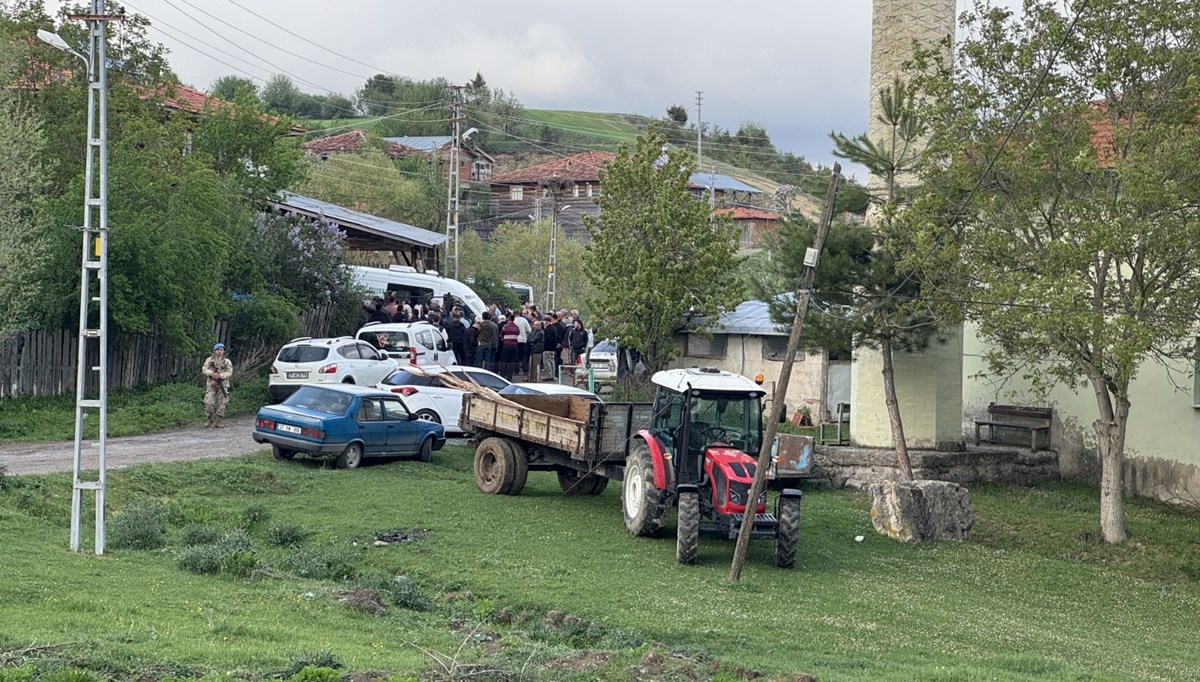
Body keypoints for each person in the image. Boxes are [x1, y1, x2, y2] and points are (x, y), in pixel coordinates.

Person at [201, 343, 233, 428]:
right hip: (211, 384)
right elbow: (204, 369)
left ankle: (218, 420)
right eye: (218, 350)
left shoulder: (227, 361)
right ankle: (209, 418)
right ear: (214, 351)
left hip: (223, 384)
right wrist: (212, 374)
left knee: (222, 403)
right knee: (208, 402)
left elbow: (229, 372)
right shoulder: (209, 360)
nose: (219, 351)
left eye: (221, 350)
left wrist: (221, 375)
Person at [498, 315, 520, 380]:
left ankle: (502, 375)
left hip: (506, 346)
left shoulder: (505, 327)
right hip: (514, 346)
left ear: (509, 319)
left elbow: (501, 334)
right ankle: (509, 376)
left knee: (504, 361)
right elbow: (518, 333)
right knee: (512, 362)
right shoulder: (517, 327)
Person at [541, 315, 559, 382]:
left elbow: (546, 339)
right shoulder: (554, 328)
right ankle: (553, 375)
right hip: (553, 348)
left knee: (547, 362)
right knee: (552, 361)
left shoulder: (547, 329)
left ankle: (549, 375)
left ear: (546, 322)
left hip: (547, 348)